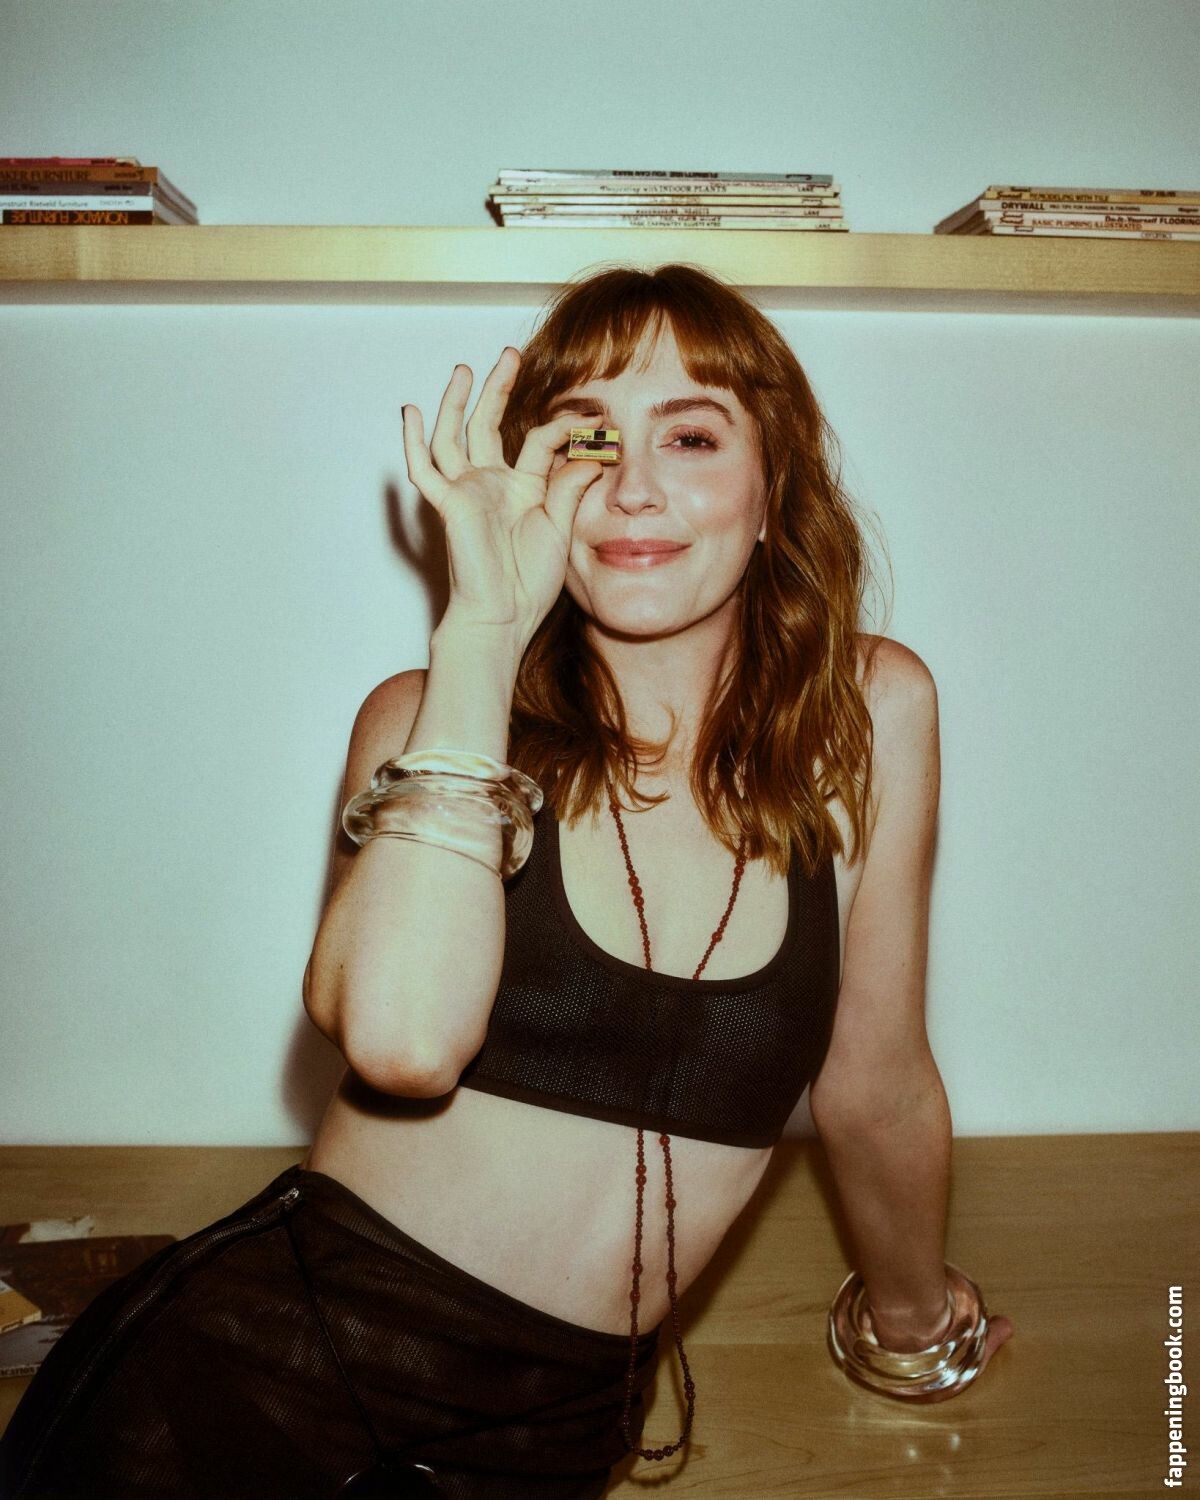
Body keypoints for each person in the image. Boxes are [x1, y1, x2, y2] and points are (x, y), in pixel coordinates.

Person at [0, 262, 1012, 1498]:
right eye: (586, 437)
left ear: (772, 492)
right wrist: (482, 629)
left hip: (557, 1440)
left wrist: (914, 1322)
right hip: (255, 1385)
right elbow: (403, 1044)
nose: (631, 485)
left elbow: (875, 1080)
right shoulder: (427, 722)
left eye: (691, 436)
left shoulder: (871, 714)